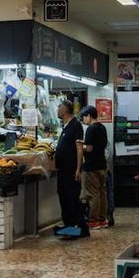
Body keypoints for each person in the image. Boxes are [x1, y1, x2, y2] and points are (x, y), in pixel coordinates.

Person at [54, 99, 87, 237]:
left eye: (59, 107)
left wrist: (78, 169)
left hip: (71, 170)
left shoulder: (75, 125)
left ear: (65, 109)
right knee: (63, 197)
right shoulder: (66, 126)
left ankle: (78, 229)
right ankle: (68, 227)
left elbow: (79, 149)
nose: (57, 109)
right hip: (62, 170)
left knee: (71, 199)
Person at [78, 105, 109, 229]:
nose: (84, 120)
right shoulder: (102, 128)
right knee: (102, 193)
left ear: (89, 116)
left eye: (84, 117)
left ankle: (93, 220)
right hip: (102, 165)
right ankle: (103, 219)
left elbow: (89, 148)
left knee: (93, 194)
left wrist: (80, 145)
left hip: (92, 167)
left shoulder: (91, 129)